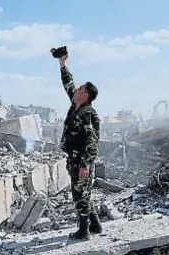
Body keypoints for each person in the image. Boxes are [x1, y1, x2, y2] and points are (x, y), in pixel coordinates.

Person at [58, 53, 101, 241]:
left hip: (81, 161)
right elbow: (68, 83)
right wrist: (62, 64)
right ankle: (96, 224)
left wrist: (85, 165)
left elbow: (93, 142)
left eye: (80, 88)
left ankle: (84, 231)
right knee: (83, 193)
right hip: (73, 159)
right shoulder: (75, 105)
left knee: (80, 195)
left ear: (85, 95)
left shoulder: (87, 113)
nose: (75, 89)